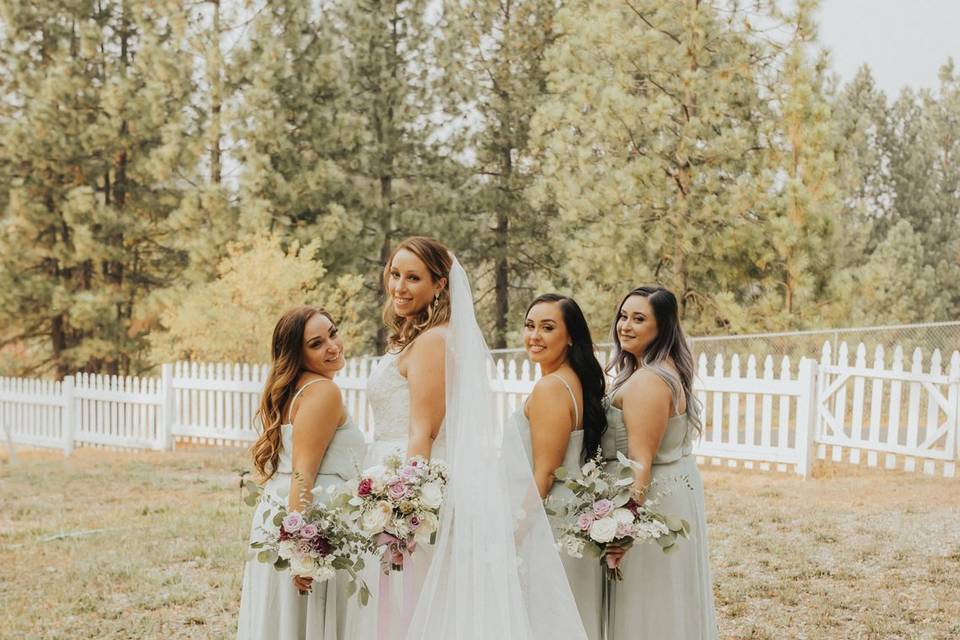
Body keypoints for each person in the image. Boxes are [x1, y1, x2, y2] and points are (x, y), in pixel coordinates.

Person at [237, 307, 367, 640]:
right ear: (298, 353)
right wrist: (302, 551)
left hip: (284, 512)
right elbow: (303, 474)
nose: (333, 346)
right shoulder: (324, 392)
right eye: (316, 343)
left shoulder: (296, 389)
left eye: (333, 333)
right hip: (310, 519)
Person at [603, 286, 718, 639]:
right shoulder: (660, 370)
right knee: (666, 596)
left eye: (639, 319)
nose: (626, 325)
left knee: (649, 600)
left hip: (651, 502)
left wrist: (624, 526)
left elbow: (641, 461)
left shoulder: (648, 382)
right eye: (624, 316)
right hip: (670, 493)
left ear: (662, 327)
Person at [512, 293, 608, 640]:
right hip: (572, 512)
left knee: (548, 619)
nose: (534, 336)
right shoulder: (574, 380)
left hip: (550, 521)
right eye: (530, 326)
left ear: (570, 336)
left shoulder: (552, 387)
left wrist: (515, 534)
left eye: (547, 327)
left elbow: (545, 473)